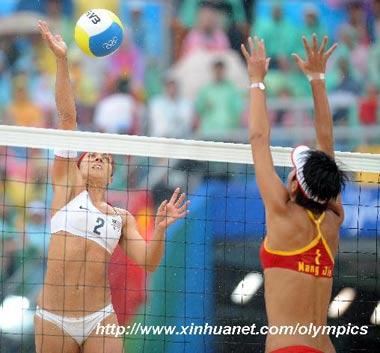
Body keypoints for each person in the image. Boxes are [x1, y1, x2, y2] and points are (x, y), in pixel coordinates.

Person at [34, 21, 190, 353]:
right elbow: (66, 118)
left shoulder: (121, 217)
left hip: (99, 317)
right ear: (79, 165)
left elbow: (148, 262)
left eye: (106, 157)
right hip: (53, 317)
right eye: (92, 153)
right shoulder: (66, 189)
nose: (98, 156)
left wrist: (160, 229)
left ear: (111, 177)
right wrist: (62, 60)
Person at [241, 34, 347, 353]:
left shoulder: (282, 213)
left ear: (295, 186)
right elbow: (326, 142)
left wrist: (256, 82)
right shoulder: (333, 220)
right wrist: (317, 78)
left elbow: (259, 137)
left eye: (291, 172)